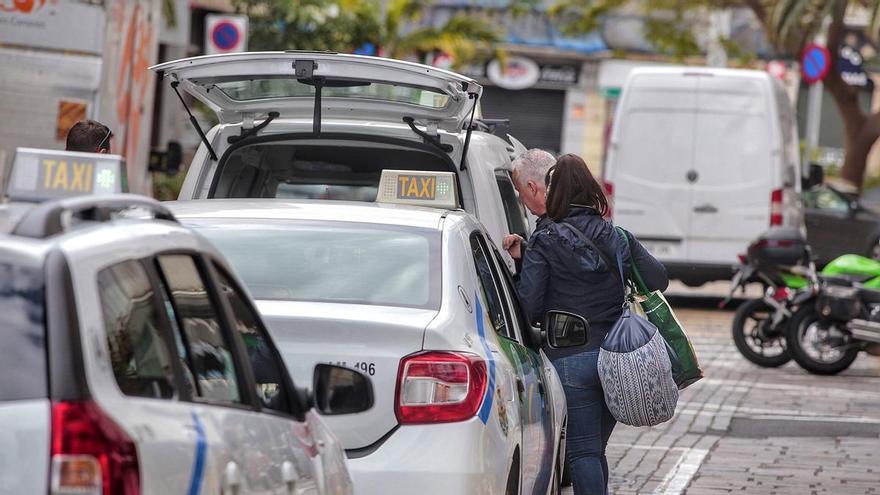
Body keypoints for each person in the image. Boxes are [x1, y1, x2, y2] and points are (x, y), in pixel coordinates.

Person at [516, 154, 668, 495]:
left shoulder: (545, 239)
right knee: (594, 449)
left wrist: (525, 264)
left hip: (571, 355)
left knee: (582, 452)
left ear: (554, 194)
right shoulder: (617, 237)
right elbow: (658, 278)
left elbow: (530, 303)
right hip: (619, 356)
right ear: (591, 191)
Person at [502, 148, 556, 262]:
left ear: (532, 187)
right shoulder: (580, 219)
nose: (521, 198)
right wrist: (525, 250)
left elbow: (539, 278)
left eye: (520, 190)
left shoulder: (550, 234)